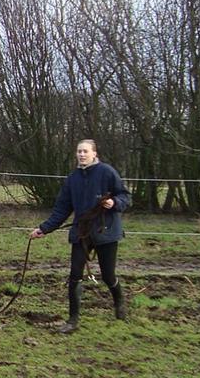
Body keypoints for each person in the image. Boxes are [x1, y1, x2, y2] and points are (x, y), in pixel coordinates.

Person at [30, 139, 131, 333]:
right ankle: (72, 321)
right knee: (75, 275)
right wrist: (44, 229)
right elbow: (62, 209)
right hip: (81, 232)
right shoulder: (72, 179)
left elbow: (125, 196)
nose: (82, 155)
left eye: (85, 151)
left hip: (106, 231)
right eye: (79, 151)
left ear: (94, 153)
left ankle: (119, 303)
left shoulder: (107, 172)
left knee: (108, 275)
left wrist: (114, 203)